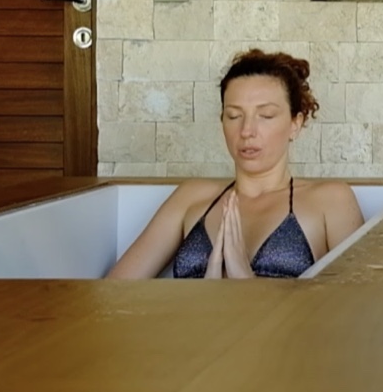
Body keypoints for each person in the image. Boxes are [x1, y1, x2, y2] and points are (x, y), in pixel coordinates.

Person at [107, 49, 364, 279]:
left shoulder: (331, 200)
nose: (247, 131)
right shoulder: (191, 197)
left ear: (295, 124)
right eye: (234, 116)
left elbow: (358, 312)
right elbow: (113, 294)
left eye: (266, 115)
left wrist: (244, 282)